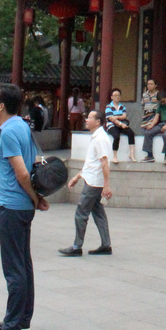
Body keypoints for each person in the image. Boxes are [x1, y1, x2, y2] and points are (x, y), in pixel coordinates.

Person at [0, 83, 49, 330]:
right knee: (23, 261)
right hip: (22, 206)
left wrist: (35, 197)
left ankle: (11, 326)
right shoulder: (22, 125)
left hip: (12, 204)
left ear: (1, 105)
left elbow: (21, 172)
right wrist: (34, 198)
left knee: (13, 266)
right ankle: (22, 317)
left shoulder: (8, 131)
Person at [59, 109, 113, 256]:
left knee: (81, 213)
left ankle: (77, 246)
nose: (86, 120)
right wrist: (77, 177)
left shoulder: (100, 138)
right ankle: (106, 244)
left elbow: (104, 163)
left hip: (94, 182)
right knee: (98, 213)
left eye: (90, 118)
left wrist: (106, 185)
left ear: (98, 122)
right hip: (93, 179)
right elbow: (92, 164)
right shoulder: (97, 137)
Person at [141, 91, 166, 163]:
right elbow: (157, 115)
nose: (162, 103)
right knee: (148, 133)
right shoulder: (160, 104)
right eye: (161, 102)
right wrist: (151, 125)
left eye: (163, 101)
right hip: (162, 123)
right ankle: (150, 155)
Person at [105, 87, 137, 164]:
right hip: (112, 125)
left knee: (131, 133)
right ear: (111, 97)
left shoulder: (122, 106)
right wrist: (120, 123)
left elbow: (124, 116)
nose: (117, 97)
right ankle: (115, 156)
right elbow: (111, 119)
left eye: (119, 95)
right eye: (115, 95)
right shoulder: (108, 107)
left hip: (122, 124)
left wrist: (116, 117)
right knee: (116, 136)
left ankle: (131, 154)